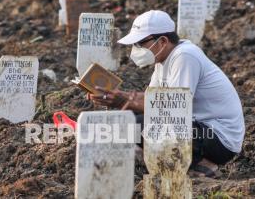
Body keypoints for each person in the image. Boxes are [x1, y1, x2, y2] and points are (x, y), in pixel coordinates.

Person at [88, 10, 245, 178]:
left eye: (140, 43)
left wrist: (125, 101)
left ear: (162, 41)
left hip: (219, 138)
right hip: (196, 127)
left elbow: (175, 109)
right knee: (128, 117)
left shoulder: (185, 56)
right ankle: (165, 159)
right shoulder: (163, 59)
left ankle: (201, 162)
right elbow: (153, 101)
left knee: (135, 124)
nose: (135, 50)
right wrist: (117, 97)